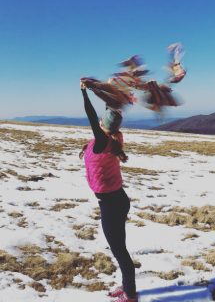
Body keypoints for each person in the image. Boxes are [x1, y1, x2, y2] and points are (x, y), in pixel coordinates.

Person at [79, 81, 138, 302]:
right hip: (116, 200)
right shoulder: (114, 137)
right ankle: (127, 286)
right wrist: (101, 89)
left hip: (112, 203)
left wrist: (84, 93)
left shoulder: (102, 141)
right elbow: (107, 115)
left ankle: (130, 296)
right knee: (119, 248)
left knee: (120, 251)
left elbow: (92, 116)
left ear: (103, 125)